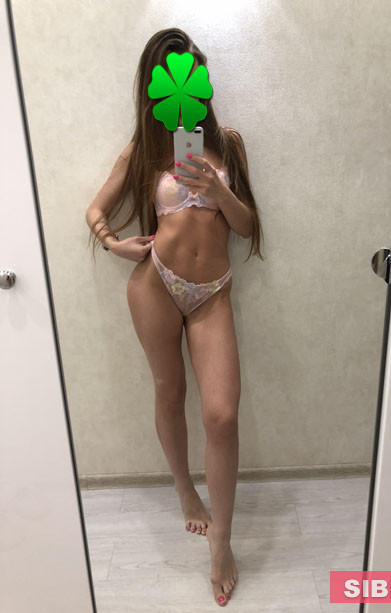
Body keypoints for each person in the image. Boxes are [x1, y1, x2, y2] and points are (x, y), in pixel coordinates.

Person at [86, 27, 264, 607]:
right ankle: (186, 492)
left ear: (202, 78)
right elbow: (95, 208)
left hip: (212, 292)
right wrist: (113, 242)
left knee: (222, 416)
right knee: (170, 392)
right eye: (170, 74)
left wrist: (216, 186)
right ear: (155, 86)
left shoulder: (227, 144)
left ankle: (222, 542)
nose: (184, 82)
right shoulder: (144, 148)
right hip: (155, 284)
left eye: (192, 70)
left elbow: (246, 227)